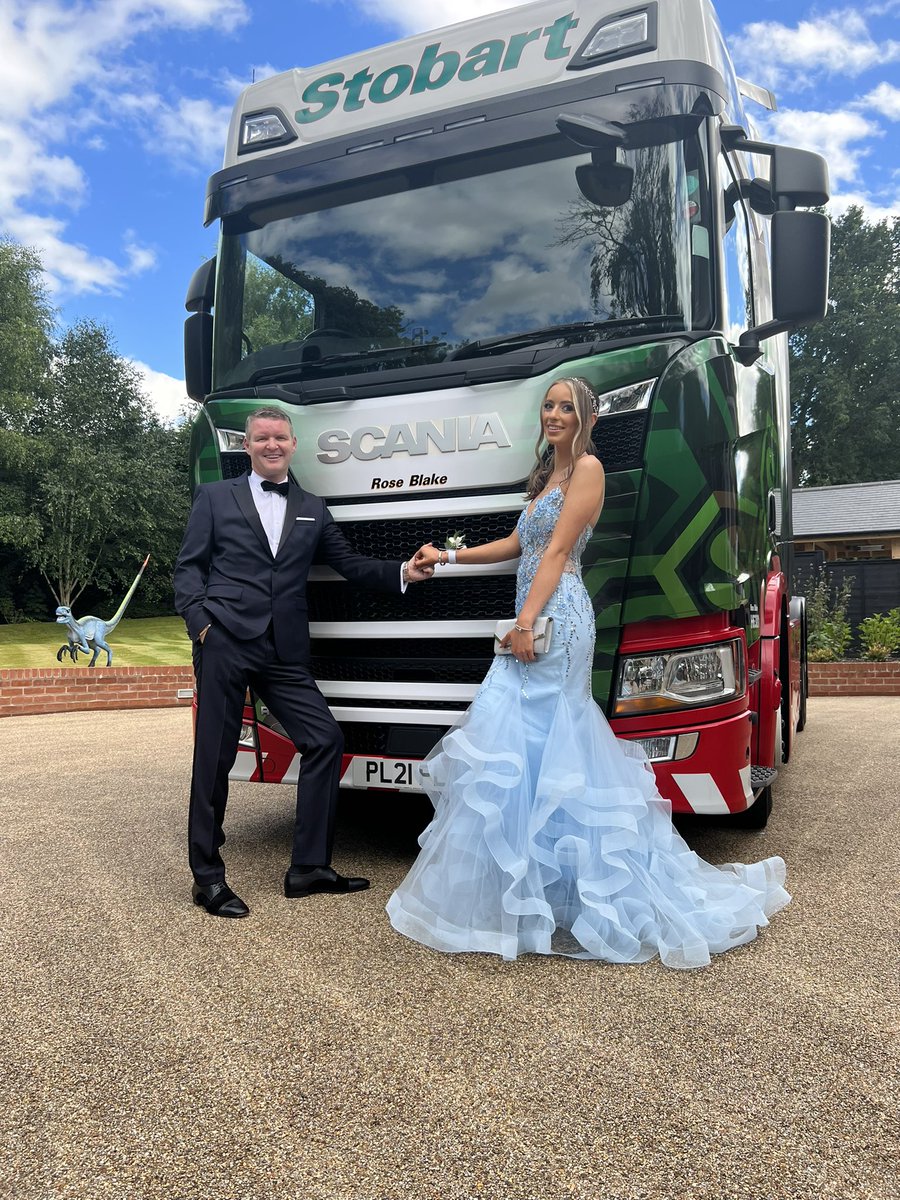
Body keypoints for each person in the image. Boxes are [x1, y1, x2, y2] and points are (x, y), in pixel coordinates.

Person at [386, 377, 790, 968]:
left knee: (555, 741)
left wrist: (523, 622)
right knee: (524, 747)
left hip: (560, 623)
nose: (554, 414)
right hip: (534, 616)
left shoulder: (589, 472)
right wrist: (444, 557)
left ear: (587, 417)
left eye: (565, 407)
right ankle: (530, 896)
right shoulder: (545, 478)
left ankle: (569, 893)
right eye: (548, 406)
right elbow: (515, 546)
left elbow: (554, 555)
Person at [174, 407, 433, 918]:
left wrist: (404, 570)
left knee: (324, 739)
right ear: (247, 446)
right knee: (215, 757)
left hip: (284, 650)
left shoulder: (313, 507)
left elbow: (351, 565)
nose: (272, 446)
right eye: (262, 438)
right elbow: (188, 571)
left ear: (294, 445)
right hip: (225, 640)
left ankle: (308, 868)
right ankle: (207, 878)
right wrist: (203, 627)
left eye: (280, 438)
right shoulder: (214, 498)